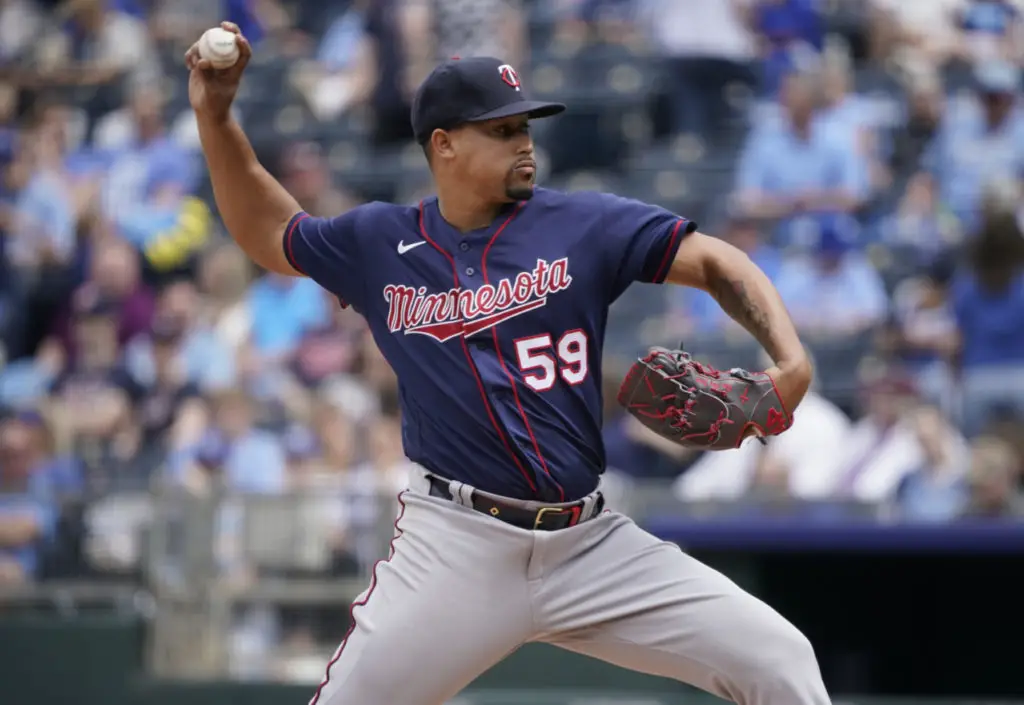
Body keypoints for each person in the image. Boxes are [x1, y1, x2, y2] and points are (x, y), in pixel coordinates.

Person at [185, 22, 824, 705]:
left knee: (779, 658)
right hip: (455, 547)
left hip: (590, 544)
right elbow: (271, 232)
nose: (524, 142)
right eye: (501, 129)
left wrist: (791, 361)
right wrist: (216, 117)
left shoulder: (583, 224)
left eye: (524, 126)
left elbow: (719, 262)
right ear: (445, 144)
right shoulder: (380, 241)